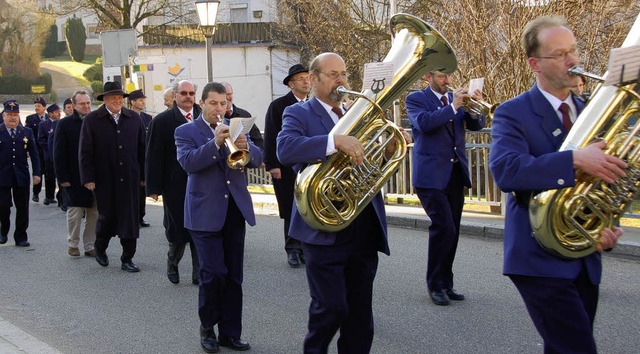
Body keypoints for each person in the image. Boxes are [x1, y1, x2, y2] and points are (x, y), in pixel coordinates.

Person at [488, 16, 626, 353]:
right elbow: (507, 171)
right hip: (537, 256)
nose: (573, 60)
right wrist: (574, 160)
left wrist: (606, 226)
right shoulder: (512, 112)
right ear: (535, 64)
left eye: (574, 51)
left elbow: (605, 182)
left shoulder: (593, 109)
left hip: (584, 255)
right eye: (560, 54)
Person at [277, 52, 411, 353]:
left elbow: (370, 170)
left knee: (361, 315)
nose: (341, 80)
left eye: (344, 73)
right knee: (331, 308)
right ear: (313, 79)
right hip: (322, 227)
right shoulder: (299, 113)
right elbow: (285, 150)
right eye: (333, 74)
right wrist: (334, 141)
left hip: (361, 225)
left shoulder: (358, 111)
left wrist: (388, 150)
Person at [175, 82, 263, 353]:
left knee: (234, 276)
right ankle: (207, 328)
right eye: (213, 103)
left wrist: (244, 144)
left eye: (223, 104)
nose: (219, 109)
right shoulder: (185, 131)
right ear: (202, 104)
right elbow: (188, 163)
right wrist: (215, 142)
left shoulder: (237, 128)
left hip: (234, 210)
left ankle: (230, 333)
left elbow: (258, 159)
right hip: (204, 212)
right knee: (213, 273)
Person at [405, 71, 486, 306]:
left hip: (454, 174)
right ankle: (435, 284)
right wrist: (453, 107)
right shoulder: (416, 99)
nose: (447, 81)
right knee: (444, 228)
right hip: (430, 176)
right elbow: (424, 124)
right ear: (427, 76)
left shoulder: (454, 99)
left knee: (454, 230)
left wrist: (475, 107)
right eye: (442, 76)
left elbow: (476, 125)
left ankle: (447, 282)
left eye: (448, 76)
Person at [79, 81, 146, 273]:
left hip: (131, 177)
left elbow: (143, 149)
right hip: (104, 178)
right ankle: (100, 249)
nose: (117, 101)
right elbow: (85, 151)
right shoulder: (92, 120)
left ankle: (127, 258)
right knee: (106, 217)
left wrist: (144, 176)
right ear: (105, 100)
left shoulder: (134, 118)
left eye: (120, 98)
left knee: (130, 219)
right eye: (113, 98)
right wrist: (88, 178)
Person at [146, 79, 201, 285]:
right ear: (175, 95)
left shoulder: (205, 117)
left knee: (200, 229)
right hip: (174, 184)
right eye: (183, 93)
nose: (188, 97)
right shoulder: (162, 121)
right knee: (177, 230)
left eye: (191, 93)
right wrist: (153, 187)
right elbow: (153, 155)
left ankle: (198, 272)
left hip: (202, 183)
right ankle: (173, 262)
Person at [263, 63, 310, 268]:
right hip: (285, 167)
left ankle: (306, 248)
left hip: (308, 167)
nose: (306, 81)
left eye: (308, 77)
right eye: (301, 79)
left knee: (308, 208)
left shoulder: (314, 104)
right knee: (290, 208)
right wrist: (273, 165)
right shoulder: (278, 106)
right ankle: (292, 249)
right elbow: (270, 136)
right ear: (291, 84)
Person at [54, 90, 98, 257]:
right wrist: (63, 178)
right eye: (82, 104)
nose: (86, 106)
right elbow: (58, 153)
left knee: (94, 212)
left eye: (88, 103)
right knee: (75, 212)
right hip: (73, 176)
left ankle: (89, 246)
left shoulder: (96, 121)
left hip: (94, 176)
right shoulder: (64, 124)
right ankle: (73, 243)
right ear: (73, 105)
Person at [0, 100, 41, 247]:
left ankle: (21, 236)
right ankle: (3, 230)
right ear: (4, 115)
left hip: (21, 176)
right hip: (2, 176)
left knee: (22, 207)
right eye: (9, 114)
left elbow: (34, 155)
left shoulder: (26, 132)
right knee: (3, 206)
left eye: (15, 115)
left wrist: (37, 173)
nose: (12, 118)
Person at [128, 89, 152, 228]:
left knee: (142, 190)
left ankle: (141, 217)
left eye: (144, 99)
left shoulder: (147, 118)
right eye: (140, 100)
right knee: (132, 192)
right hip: (132, 158)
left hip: (145, 157)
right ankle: (132, 218)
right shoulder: (127, 117)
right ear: (133, 102)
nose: (143, 102)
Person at [221, 82, 264, 149]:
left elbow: (257, 140)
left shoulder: (244, 115)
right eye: (224, 95)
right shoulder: (215, 117)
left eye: (229, 94)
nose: (227, 97)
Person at [38, 103, 62, 206]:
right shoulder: (43, 124)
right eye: (56, 112)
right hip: (48, 155)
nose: (58, 114)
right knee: (49, 177)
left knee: (61, 177)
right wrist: (49, 149)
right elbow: (41, 139)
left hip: (59, 155)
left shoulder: (61, 123)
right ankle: (49, 196)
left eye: (59, 112)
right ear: (50, 114)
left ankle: (61, 198)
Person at [25, 96, 47, 202]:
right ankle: (36, 193)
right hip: (36, 150)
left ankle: (49, 196)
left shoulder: (49, 117)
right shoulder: (30, 118)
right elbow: (27, 135)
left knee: (49, 173)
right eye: (35, 106)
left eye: (39, 106)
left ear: (44, 107)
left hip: (47, 151)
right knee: (38, 172)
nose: (37, 108)